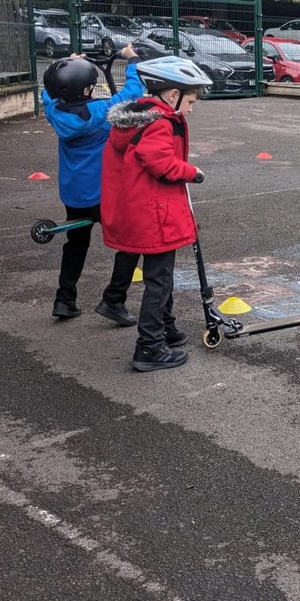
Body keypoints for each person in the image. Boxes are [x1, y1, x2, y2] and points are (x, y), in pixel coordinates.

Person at [102, 56, 212, 372]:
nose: (190, 109)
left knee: (160, 276)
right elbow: (160, 163)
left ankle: (165, 328)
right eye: (190, 102)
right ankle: (149, 347)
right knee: (159, 281)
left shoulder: (140, 117)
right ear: (173, 95)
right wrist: (192, 172)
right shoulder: (160, 122)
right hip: (155, 215)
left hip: (143, 209)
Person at [42, 46, 144, 322]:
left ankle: (64, 300)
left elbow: (47, 94)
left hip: (73, 194)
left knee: (76, 243)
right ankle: (114, 299)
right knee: (132, 241)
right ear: (86, 90)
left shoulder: (54, 110)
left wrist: (67, 63)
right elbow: (131, 95)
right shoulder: (99, 112)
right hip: (102, 195)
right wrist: (132, 60)